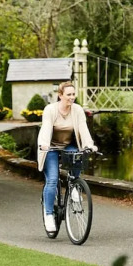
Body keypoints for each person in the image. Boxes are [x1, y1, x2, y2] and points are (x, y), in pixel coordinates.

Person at [37, 81, 97, 233]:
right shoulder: (50, 110)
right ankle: (48, 214)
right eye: (68, 94)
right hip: (50, 147)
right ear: (60, 95)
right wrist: (44, 144)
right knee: (52, 179)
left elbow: (83, 129)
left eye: (73, 94)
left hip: (68, 146)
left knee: (78, 156)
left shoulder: (77, 110)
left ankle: (74, 185)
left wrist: (89, 144)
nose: (72, 97)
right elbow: (46, 128)